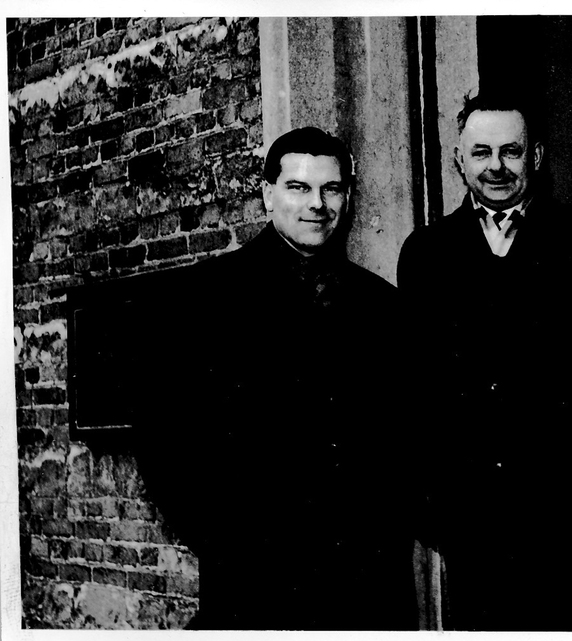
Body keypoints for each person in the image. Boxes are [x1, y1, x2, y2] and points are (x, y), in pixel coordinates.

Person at [135, 127, 418, 631]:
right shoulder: (204, 299)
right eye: (298, 187)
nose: (317, 204)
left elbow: (408, 439)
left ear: (348, 198)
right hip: (257, 589)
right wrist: (231, 545)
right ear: (268, 195)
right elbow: (163, 441)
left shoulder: (383, 306)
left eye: (331, 189)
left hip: (367, 590)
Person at [396, 91, 572, 631]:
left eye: (511, 151)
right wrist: (436, 510)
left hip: (569, 515)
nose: (496, 166)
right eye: (481, 152)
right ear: (459, 159)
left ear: (535, 156)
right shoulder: (426, 253)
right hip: (473, 522)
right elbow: (416, 387)